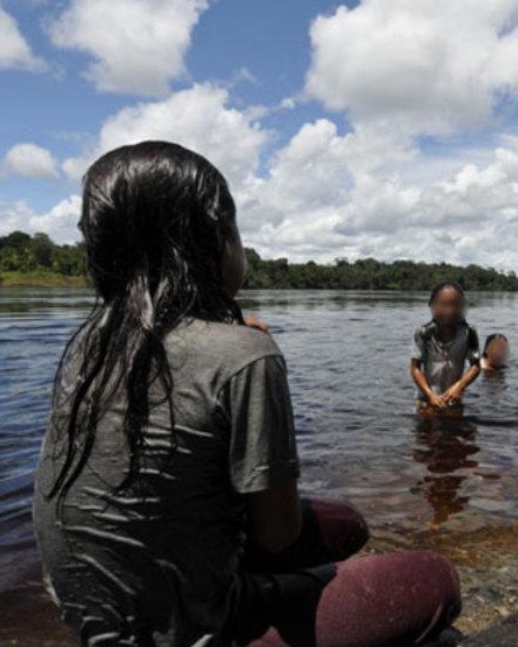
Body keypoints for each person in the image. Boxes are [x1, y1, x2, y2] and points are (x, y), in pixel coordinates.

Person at [32, 141, 461, 647]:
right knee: (436, 581)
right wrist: (248, 345)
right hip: (194, 632)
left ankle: (254, 591)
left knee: (345, 525)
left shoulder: (89, 343)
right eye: (235, 230)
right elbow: (277, 533)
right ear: (215, 240)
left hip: (96, 619)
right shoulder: (246, 354)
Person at [410, 282, 481, 416]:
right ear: (433, 305)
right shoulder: (424, 332)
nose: (449, 310)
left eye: (454, 305)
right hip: (426, 398)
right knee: (425, 433)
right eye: (444, 305)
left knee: (454, 433)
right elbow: (415, 368)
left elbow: (475, 366)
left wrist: (460, 386)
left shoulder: (469, 332)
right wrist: (430, 395)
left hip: (454, 398)